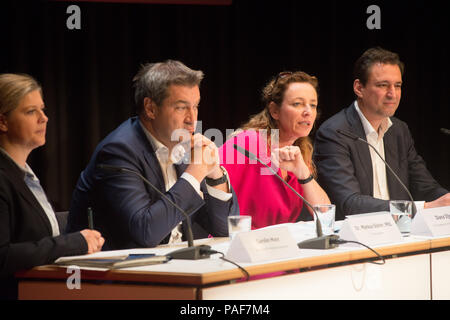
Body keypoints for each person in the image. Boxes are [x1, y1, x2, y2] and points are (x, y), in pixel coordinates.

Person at [66, 60, 239, 250]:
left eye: (195, 106)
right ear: (150, 108)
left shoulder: (182, 146)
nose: (192, 119)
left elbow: (225, 229)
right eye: (181, 107)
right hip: (117, 274)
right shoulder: (118, 152)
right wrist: (194, 173)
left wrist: (215, 175)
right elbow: (146, 233)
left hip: (172, 267)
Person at [0, 73, 104, 300]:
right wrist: (74, 243)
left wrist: (92, 217)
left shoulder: (21, 172)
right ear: (3, 121)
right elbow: (3, 256)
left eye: (43, 109)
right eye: (30, 111)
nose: (44, 118)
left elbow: (32, 227)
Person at [314, 47, 450, 220]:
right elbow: (349, 203)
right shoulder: (335, 132)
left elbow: (426, 187)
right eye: (383, 85)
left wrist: (445, 200)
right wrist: (423, 207)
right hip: (357, 236)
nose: (392, 94)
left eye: (398, 85)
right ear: (359, 88)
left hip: (401, 231)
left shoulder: (399, 130)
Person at [219, 71, 330, 229]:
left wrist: (304, 173)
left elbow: (325, 213)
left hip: (277, 246)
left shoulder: (300, 151)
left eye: (313, 105)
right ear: (274, 111)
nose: (308, 112)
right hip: (240, 244)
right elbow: (207, 190)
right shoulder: (247, 143)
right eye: (298, 104)